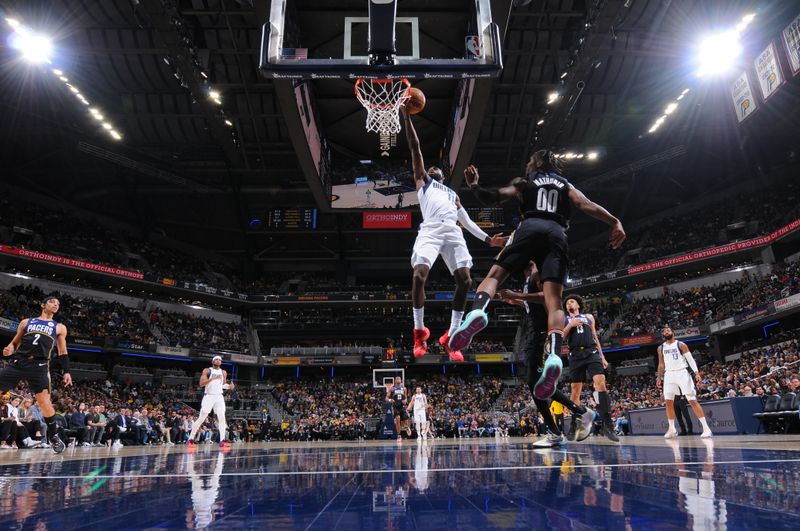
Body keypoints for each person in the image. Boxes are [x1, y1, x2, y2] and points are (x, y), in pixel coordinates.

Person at [448, 153, 625, 401]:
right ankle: (553, 354)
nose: (528, 163)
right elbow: (586, 205)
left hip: (528, 227)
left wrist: (474, 184)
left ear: (539, 163)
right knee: (554, 299)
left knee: (495, 275)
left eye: (530, 160)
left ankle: (478, 311)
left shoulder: (525, 181)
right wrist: (614, 221)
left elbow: (491, 197)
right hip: (557, 234)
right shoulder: (566, 184)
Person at [400, 107, 508, 362]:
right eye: (432, 166)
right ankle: (419, 332)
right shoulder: (424, 182)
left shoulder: (452, 195)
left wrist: (488, 239)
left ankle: (452, 335)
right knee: (418, 275)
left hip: (453, 231)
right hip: (431, 229)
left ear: (444, 176)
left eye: (438, 168)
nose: (434, 168)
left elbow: (466, 220)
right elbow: (415, 148)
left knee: (466, 281)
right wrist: (407, 117)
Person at [499, 262, 595, 448]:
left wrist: (517, 295)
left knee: (536, 385)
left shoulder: (538, 271)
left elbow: (548, 297)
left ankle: (567, 423)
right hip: (534, 333)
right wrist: (518, 301)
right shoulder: (529, 275)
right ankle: (575, 416)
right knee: (536, 386)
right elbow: (536, 304)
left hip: (543, 333)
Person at [0, 294, 73, 453]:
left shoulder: (59, 327)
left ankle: (53, 436)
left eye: (58, 303)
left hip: (40, 364)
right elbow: (15, 343)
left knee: (44, 403)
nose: (56, 305)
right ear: (42, 304)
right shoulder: (27, 322)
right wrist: (9, 349)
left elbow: (63, 351)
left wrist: (66, 371)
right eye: (52, 302)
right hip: (19, 361)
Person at [562, 295, 618, 442]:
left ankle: (608, 425)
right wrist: (570, 325)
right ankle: (575, 424)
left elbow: (595, 337)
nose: (569, 303)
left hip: (591, 352)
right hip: (575, 355)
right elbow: (561, 336)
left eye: (572, 301)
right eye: (567, 303)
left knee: (600, 382)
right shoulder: (565, 319)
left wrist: (603, 356)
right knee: (575, 390)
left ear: (578, 304)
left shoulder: (588, 317)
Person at [657, 327, 713, 438]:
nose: (666, 332)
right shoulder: (660, 348)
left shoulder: (681, 344)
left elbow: (690, 359)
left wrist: (696, 373)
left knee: (692, 400)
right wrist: (659, 377)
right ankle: (672, 429)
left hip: (682, 373)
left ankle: (706, 428)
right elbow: (661, 364)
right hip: (669, 374)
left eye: (668, 330)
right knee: (668, 402)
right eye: (664, 331)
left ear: (673, 333)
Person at [188, 355, 234, 448]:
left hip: (219, 396)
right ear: (213, 361)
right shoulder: (207, 370)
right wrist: (212, 379)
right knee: (202, 417)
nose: (218, 361)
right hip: (208, 396)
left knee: (222, 417)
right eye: (216, 359)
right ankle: (190, 439)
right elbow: (201, 384)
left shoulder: (223, 372)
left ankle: (222, 440)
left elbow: (222, 384)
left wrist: (229, 386)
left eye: (220, 360)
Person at [387, 376, 411, 442]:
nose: (398, 380)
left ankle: (406, 427)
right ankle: (399, 435)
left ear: (401, 380)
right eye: (397, 379)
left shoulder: (404, 388)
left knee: (405, 422)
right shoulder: (392, 389)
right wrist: (390, 399)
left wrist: (405, 400)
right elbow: (386, 397)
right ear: (395, 381)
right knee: (398, 418)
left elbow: (406, 397)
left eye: (399, 379)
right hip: (395, 406)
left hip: (402, 406)